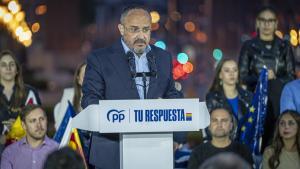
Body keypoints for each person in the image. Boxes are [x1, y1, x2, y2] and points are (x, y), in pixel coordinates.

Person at [81, 5, 182, 169]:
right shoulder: (99, 59)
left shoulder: (163, 57)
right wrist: (122, 119)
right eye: (134, 29)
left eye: (146, 29)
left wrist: (176, 132)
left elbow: (171, 94)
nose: (141, 35)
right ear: (121, 29)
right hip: (112, 151)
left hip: (154, 151)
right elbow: (90, 100)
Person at [238, 6, 295, 151]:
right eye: (263, 20)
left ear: (276, 24)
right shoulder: (248, 46)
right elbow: (242, 76)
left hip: (278, 100)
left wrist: (274, 78)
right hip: (255, 99)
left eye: (270, 21)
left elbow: (291, 76)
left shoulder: (285, 46)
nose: (266, 24)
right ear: (257, 23)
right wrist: (261, 77)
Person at [0, 50, 41, 150]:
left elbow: (39, 124)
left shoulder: (30, 93)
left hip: (24, 151)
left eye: (12, 64)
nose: (8, 68)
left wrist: (19, 131)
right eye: (3, 65)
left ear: (17, 69)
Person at [187, 108, 253, 169]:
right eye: (215, 120)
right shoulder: (197, 153)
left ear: (231, 126)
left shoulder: (243, 151)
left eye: (224, 120)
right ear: (209, 126)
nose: (219, 124)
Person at [206, 59, 252, 140]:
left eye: (235, 70)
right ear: (220, 75)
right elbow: (208, 127)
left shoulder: (248, 96)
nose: (232, 74)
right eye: (227, 70)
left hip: (245, 145)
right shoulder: (212, 98)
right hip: (222, 145)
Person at [1, 105, 58, 169]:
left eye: (42, 119)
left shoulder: (58, 149)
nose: (39, 125)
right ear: (24, 125)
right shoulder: (10, 153)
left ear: (46, 121)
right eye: (33, 121)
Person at [54, 63, 87, 129]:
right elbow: (60, 125)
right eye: (84, 76)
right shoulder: (69, 94)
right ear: (78, 80)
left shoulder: (102, 97)